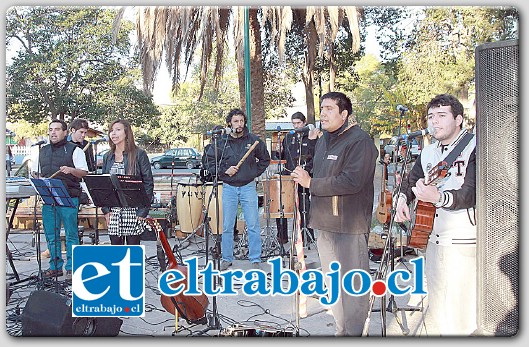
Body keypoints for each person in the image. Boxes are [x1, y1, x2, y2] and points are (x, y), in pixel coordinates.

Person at [291, 91, 378, 336]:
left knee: (352, 286)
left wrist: (311, 183)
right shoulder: (323, 140)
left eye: (330, 109)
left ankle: (354, 334)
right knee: (334, 285)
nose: (323, 113)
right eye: (322, 108)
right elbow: (321, 171)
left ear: (344, 114)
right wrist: (304, 173)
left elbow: (352, 181)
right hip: (323, 223)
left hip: (348, 226)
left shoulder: (360, 141)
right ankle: (342, 331)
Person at [395, 94, 477, 336]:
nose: (435, 122)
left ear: (458, 119)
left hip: (463, 241)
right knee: (439, 312)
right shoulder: (429, 151)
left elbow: (472, 192)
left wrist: (439, 198)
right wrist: (402, 199)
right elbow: (410, 181)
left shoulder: (475, 146)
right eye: (431, 117)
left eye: (442, 116)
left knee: (461, 318)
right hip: (432, 240)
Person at [204, 108, 270, 270]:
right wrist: (224, 171)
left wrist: (252, 173)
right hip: (229, 188)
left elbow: (265, 159)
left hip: (248, 187)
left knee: (253, 224)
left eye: (241, 121)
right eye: (235, 121)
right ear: (229, 123)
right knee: (227, 226)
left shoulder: (253, 140)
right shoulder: (221, 142)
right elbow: (208, 162)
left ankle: (255, 259)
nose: (239, 124)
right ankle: (227, 258)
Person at [31, 119, 89, 281]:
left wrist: (71, 170)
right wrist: (37, 178)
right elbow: (36, 172)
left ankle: (72, 267)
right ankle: (55, 266)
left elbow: (84, 172)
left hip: (68, 198)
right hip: (48, 199)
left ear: (65, 132)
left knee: (71, 234)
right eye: (51, 129)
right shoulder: (42, 151)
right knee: (51, 234)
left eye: (57, 129)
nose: (53, 132)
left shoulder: (74, 150)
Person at [101, 119, 154, 245]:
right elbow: (104, 185)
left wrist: (143, 211)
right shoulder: (107, 156)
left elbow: (148, 182)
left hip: (133, 209)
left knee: (132, 249)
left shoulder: (139, 154)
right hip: (114, 210)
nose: (113, 133)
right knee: (116, 249)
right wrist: (106, 210)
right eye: (111, 131)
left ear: (126, 133)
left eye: (118, 130)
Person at [272, 112, 317, 245]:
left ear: (304, 123)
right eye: (294, 123)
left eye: (298, 123)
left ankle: (306, 237)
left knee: (304, 206)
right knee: (282, 205)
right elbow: (281, 158)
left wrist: (306, 171)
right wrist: (278, 152)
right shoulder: (288, 137)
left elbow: (315, 157)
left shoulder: (311, 136)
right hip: (288, 176)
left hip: (304, 176)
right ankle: (282, 236)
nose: (296, 126)